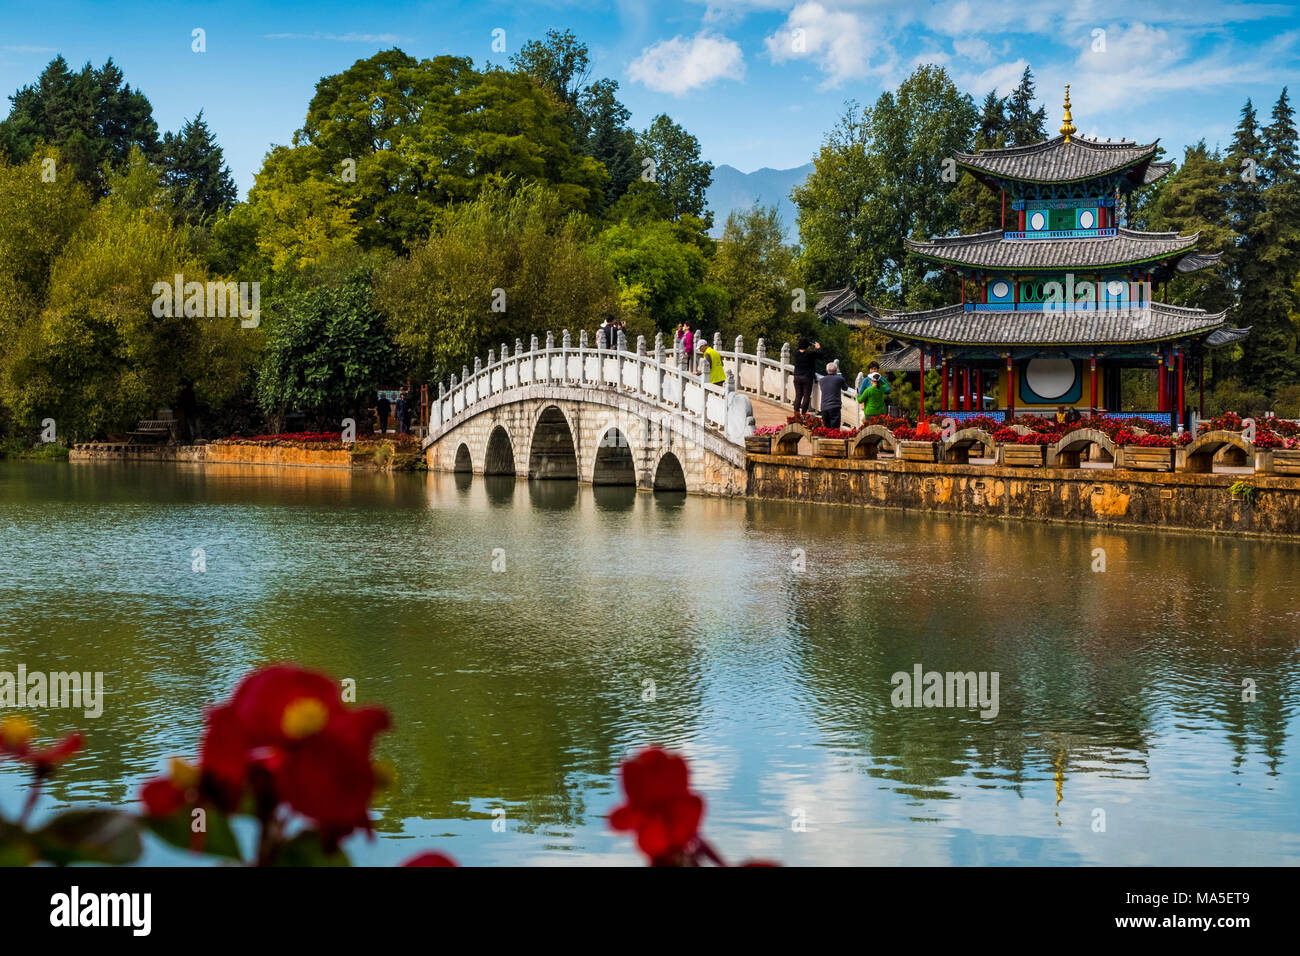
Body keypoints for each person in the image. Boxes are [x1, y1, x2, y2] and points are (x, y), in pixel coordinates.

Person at [793, 337, 823, 415]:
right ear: (807, 346)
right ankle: (803, 414)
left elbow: (799, 348)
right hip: (807, 377)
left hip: (797, 377)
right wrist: (818, 347)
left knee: (798, 395)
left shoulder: (795, 353)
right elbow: (820, 354)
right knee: (806, 396)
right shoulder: (810, 354)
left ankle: (796, 414)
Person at [818, 360, 848, 429]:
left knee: (826, 428)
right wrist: (840, 375)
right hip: (835, 406)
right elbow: (845, 388)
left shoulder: (822, 380)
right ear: (836, 370)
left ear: (826, 370)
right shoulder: (840, 379)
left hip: (824, 406)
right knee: (835, 429)